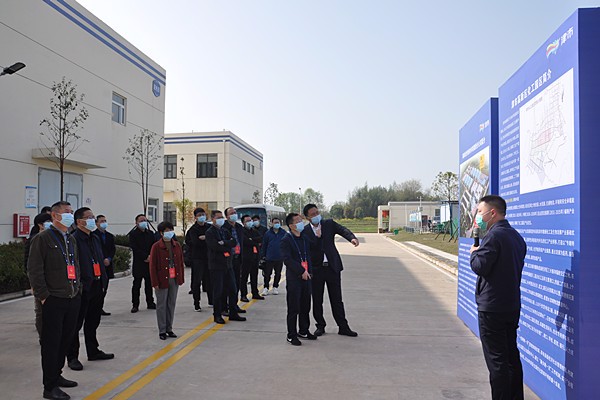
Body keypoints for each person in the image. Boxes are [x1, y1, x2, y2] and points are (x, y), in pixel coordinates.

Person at [469, 195, 527, 400]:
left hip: (492, 308)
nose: (478, 216)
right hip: (510, 305)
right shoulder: (515, 236)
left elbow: (480, 266)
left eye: (480, 212)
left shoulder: (494, 237)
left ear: (492, 213)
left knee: (497, 362)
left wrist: (474, 253)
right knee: (511, 357)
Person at [27, 201, 81, 400]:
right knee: (51, 344)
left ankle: (56, 375)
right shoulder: (42, 238)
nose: (70, 215)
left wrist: (78, 289)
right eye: (67, 212)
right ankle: (49, 387)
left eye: (71, 212)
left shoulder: (70, 238)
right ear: (55, 216)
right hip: (53, 299)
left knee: (65, 340)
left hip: (71, 297)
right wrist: (43, 296)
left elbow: (76, 265)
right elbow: (34, 270)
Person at [67, 208, 114, 371]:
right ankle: (72, 357)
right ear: (79, 221)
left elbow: (99, 259)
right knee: (75, 324)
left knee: (93, 321)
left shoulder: (94, 238)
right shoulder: (73, 239)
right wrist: (78, 285)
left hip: (97, 284)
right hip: (82, 288)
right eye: (89, 217)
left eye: (93, 217)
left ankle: (93, 350)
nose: (92, 220)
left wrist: (104, 281)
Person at [302, 203, 359, 337]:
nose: (316, 216)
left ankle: (343, 326)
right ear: (307, 217)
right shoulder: (305, 231)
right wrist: (318, 237)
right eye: (313, 214)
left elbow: (343, 230)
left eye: (317, 212)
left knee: (337, 299)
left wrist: (352, 238)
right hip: (316, 270)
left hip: (332, 267)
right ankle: (320, 326)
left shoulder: (328, 224)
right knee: (317, 300)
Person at [280, 213, 317, 346]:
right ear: (291, 226)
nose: (301, 222)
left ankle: (304, 330)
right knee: (294, 307)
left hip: (307, 276)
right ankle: (291, 335)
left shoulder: (304, 238)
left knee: (305, 306)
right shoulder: (286, 240)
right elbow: (287, 260)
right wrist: (301, 271)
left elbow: (309, 256)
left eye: (301, 220)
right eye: (298, 221)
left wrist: (309, 272)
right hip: (294, 278)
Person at [205, 210, 246, 324]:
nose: (221, 219)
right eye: (218, 217)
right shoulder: (210, 232)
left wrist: (224, 242)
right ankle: (217, 314)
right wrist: (226, 244)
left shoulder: (224, 230)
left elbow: (233, 242)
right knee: (218, 292)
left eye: (221, 217)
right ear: (213, 219)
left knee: (233, 289)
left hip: (228, 264)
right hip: (216, 265)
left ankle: (233, 312)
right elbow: (215, 247)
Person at [149, 221, 185, 340]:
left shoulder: (176, 245)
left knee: (171, 303)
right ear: (161, 233)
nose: (169, 232)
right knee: (161, 305)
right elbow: (152, 266)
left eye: (171, 230)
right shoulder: (156, 246)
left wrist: (181, 278)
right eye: (167, 231)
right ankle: (162, 330)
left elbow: (180, 262)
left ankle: (169, 328)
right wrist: (155, 282)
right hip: (162, 279)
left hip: (174, 278)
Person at [129, 214, 157, 313]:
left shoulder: (150, 233)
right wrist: (145, 257)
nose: (143, 222)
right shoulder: (133, 234)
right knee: (137, 285)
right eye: (141, 221)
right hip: (139, 263)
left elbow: (154, 246)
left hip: (149, 262)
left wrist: (150, 256)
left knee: (149, 284)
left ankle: (150, 302)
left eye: (145, 220)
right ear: (136, 223)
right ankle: (135, 305)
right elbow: (135, 248)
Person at [186, 207, 212, 311]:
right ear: (195, 217)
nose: (202, 217)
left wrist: (204, 238)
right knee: (197, 281)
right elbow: (194, 243)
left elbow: (213, 239)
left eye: (203, 214)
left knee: (210, 281)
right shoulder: (193, 230)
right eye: (199, 215)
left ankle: (211, 300)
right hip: (197, 258)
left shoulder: (209, 227)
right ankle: (196, 303)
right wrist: (206, 239)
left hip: (209, 257)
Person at [221, 207, 245, 304]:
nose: (234, 214)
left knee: (236, 284)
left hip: (238, 258)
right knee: (227, 284)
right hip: (227, 259)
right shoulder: (223, 227)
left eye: (235, 212)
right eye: (231, 213)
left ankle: (234, 305)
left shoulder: (239, 227)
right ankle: (224, 306)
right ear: (227, 216)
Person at [93, 215, 116, 316]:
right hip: (98, 265)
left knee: (105, 288)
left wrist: (109, 259)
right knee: (97, 288)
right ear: (97, 223)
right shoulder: (93, 236)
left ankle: (100, 307)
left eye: (105, 221)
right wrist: (101, 260)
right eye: (101, 221)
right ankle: (94, 308)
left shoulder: (110, 236)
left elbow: (112, 249)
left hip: (108, 265)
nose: (104, 223)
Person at [260, 217, 286, 296]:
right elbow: (264, 245)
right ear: (272, 223)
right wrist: (263, 256)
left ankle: (275, 287)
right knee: (267, 273)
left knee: (278, 273)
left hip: (279, 257)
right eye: (275, 222)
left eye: (278, 222)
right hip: (269, 257)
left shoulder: (283, 233)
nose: (277, 224)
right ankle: (266, 287)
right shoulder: (268, 233)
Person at [240, 215, 264, 301]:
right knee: (244, 277)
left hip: (255, 257)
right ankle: (243, 295)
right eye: (247, 221)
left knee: (254, 276)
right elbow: (245, 241)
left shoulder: (254, 231)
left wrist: (252, 240)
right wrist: (254, 241)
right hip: (246, 257)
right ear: (243, 223)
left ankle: (255, 293)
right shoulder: (242, 231)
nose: (250, 222)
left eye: (250, 220)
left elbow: (260, 238)